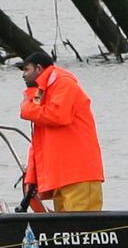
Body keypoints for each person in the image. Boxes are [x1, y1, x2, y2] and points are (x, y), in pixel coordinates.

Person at [17, 50, 104, 212]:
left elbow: (58, 115)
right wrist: (31, 176)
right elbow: (38, 143)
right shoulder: (43, 92)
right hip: (61, 178)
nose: (23, 75)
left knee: (82, 230)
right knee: (67, 230)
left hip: (79, 175)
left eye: (26, 69)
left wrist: (26, 107)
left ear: (39, 68)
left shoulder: (64, 84)